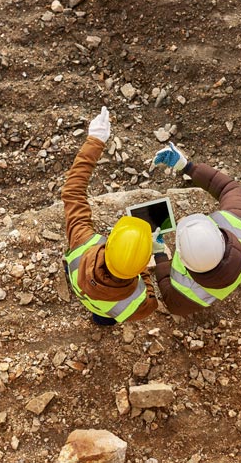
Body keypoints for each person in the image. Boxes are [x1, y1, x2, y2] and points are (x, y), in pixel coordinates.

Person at [61, 107, 158, 325]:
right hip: (109, 311)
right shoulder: (139, 301)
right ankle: (100, 320)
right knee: (104, 318)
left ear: (109, 242)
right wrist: (146, 272)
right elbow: (152, 302)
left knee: (92, 299)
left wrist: (95, 140)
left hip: (81, 282)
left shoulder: (83, 243)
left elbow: (72, 192)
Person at [151, 142, 241, 316]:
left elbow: (171, 302)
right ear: (220, 234)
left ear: (182, 259)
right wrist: (188, 167)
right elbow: (228, 188)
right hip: (235, 269)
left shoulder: (186, 292)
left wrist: (159, 255)